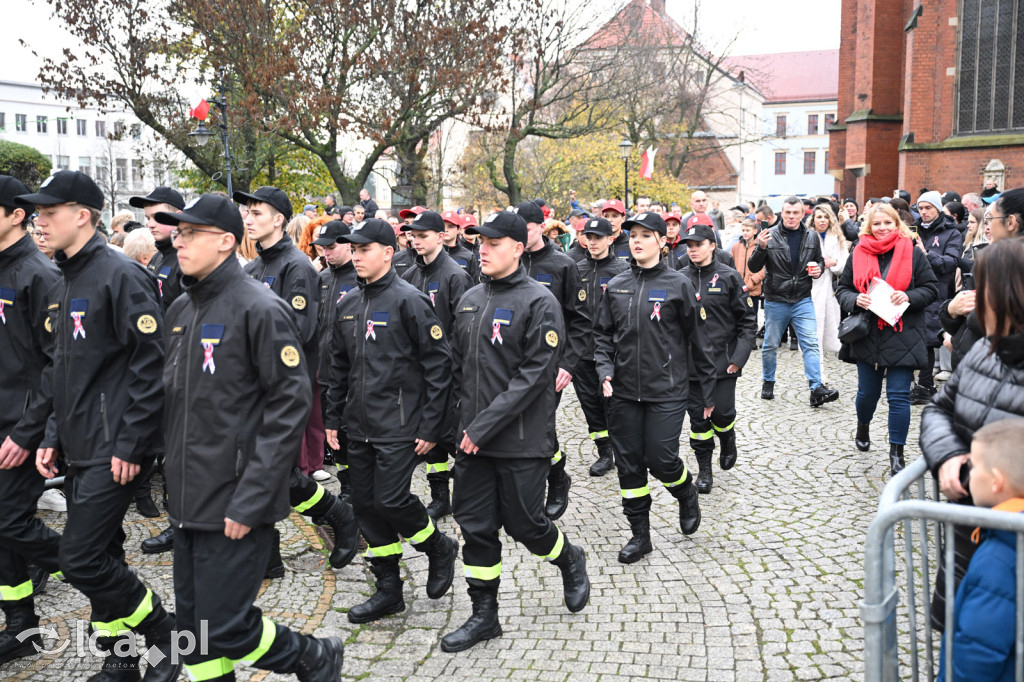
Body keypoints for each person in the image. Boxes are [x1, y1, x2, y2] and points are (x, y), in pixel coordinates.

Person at [153, 194, 345, 682]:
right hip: (188, 498)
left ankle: (313, 656)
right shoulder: (180, 309)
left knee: (228, 626)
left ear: (223, 241)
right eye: (177, 232)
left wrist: (253, 498)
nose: (180, 241)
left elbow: (289, 406)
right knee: (195, 631)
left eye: (190, 233)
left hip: (236, 498)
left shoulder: (259, 306)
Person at [20, 171, 180, 680]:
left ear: (83, 216)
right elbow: (64, 367)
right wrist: (50, 436)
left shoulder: (120, 274)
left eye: (49, 213)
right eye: (37, 214)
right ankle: (123, 657)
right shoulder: (64, 275)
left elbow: (150, 367)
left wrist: (133, 445)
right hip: (79, 441)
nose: (38, 223)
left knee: (81, 558)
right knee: (106, 552)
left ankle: (165, 636)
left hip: (115, 445)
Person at [440, 210, 590, 653]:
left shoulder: (539, 302)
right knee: (475, 528)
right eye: (480, 242)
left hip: (521, 440)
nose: (482, 249)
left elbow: (533, 377)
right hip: (472, 443)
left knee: (527, 525)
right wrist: (450, 425)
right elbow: (455, 369)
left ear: (518, 249)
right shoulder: (469, 298)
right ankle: (484, 616)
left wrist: (482, 426)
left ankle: (569, 558)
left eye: (493, 243)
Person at [324, 218, 460, 625]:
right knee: (365, 506)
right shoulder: (347, 304)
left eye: (365, 250)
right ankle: (389, 591)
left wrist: (430, 425)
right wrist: (332, 418)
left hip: (401, 425)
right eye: (355, 249)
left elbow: (440, 366)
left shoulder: (410, 300)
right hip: (359, 425)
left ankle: (437, 547)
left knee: (391, 499)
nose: (357, 256)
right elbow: (338, 367)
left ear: (388, 252)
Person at [236, 186, 357, 575]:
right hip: (255, 389)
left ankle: (338, 513)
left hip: (285, 387)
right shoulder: (253, 269)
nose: (249, 218)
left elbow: (300, 330)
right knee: (258, 472)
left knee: (276, 473)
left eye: (258, 212)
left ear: (279, 220)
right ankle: (267, 558)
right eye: (247, 212)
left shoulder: (297, 267)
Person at [593, 211, 714, 564]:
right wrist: (604, 370)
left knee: (661, 459)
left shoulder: (679, 284)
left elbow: (699, 341)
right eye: (633, 235)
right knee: (630, 465)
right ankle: (640, 536)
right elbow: (601, 336)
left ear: (663, 241)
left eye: (646, 235)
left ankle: (685, 492)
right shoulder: (616, 285)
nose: (637, 241)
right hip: (624, 392)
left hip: (668, 390)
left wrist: (707, 391)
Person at [922, 238, 1024, 630]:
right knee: (960, 643)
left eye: (983, 287)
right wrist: (947, 455)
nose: (973, 297)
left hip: (1010, 545)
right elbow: (937, 409)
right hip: (967, 534)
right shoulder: (984, 349)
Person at [0, 175, 63, 667]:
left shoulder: (39, 273)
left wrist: (33, 432)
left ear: (16, 214)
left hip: (21, 426)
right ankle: (20, 622)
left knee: (10, 521)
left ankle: (89, 565)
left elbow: (55, 362)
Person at [836, 203, 938, 475]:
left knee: (898, 396)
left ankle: (897, 451)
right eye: (877, 224)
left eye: (887, 223)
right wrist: (855, 299)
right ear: (869, 226)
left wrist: (909, 296)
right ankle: (863, 424)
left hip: (903, 333)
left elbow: (931, 289)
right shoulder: (858, 251)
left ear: (897, 224)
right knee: (867, 394)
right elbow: (842, 289)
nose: (882, 229)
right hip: (867, 333)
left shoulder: (914, 253)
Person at [516, 201, 590, 520]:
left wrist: (568, 364)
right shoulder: (510, 260)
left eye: (526, 230)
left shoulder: (562, 265)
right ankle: (542, 476)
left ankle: (556, 479)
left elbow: (581, 320)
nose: (519, 237)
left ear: (541, 227)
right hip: (512, 362)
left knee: (539, 425)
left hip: (550, 364)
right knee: (519, 426)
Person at [936, 418, 1024, 682]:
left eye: (973, 466)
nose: (969, 473)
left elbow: (978, 651)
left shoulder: (998, 560)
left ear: (996, 482)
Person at [400, 210, 473, 519]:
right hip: (420, 374)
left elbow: (464, 328)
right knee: (428, 437)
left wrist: (456, 371)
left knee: (454, 436)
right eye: (412, 236)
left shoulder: (456, 275)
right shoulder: (409, 276)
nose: (416, 241)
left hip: (451, 374)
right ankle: (439, 495)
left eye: (423, 236)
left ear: (441, 236)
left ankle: (472, 495)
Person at [678, 223, 757, 493]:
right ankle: (704, 470)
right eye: (689, 245)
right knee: (698, 421)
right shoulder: (678, 278)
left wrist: (739, 357)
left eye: (698, 244)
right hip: (689, 365)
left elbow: (747, 321)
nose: (693, 250)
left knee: (722, 414)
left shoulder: (729, 277)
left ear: (712, 245)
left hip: (723, 362)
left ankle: (727, 436)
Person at [748, 196, 839, 407]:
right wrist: (760, 247)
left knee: (810, 343)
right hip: (776, 299)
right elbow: (753, 267)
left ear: (802, 214)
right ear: (782, 213)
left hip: (802, 299)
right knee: (770, 345)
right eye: (787, 212)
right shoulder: (768, 235)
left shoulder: (812, 237)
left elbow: (817, 263)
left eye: (795, 213)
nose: (791, 216)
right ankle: (768, 381)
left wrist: (817, 270)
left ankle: (816, 387)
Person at [130, 186, 186, 524]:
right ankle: (143, 492)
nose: (149, 224)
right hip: (155, 359)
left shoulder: (184, 258)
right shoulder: (156, 257)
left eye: (156, 217)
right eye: (147, 218)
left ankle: (172, 504)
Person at [574, 217, 628, 477]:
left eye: (598, 237)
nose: (592, 242)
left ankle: (623, 449)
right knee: (590, 405)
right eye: (589, 237)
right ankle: (605, 452)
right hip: (582, 353)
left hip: (612, 351)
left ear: (611, 239)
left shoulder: (622, 271)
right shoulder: (576, 269)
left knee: (613, 403)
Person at [312, 220, 358, 498]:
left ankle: (364, 488)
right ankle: (347, 488)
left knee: (355, 435)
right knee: (336, 435)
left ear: (348, 244)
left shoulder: (359, 279)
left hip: (355, 374)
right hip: (326, 373)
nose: (326, 253)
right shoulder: (321, 280)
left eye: (331, 247)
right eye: (323, 248)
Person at [911, 191, 963, 405]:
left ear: (938, 208)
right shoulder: (913, 230)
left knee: (928, 340)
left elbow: (951, 263)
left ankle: (925, 386)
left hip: (937, 291)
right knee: (916, 338)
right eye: (920, 208)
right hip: (913, 289)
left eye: (928, 208)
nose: (923, 212)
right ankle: (922, 385)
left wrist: (925, 254)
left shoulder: (951, 232)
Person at [809, 204, 849, 383]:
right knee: (813, 332)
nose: (822, 221)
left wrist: (833, 263)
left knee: (827, 330)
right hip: (810, 289)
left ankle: (819, 368)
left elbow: (845, 263)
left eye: (825, 217)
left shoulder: (837, 238)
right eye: (819, 217)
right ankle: (817, 372)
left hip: (830, 289)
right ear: (813, 219)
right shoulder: (808, 237)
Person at [730, 219, 765, 320]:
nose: (745, 233)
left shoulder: (760, 246)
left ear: (755, 231)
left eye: (748, 230)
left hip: (753, 290)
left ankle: (752, 335)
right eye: (743, 230)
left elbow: (764, 268)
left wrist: (753, 281)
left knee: (752, 317)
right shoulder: (736, 246)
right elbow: (730, 265)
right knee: (738, 317)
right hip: (738, 289)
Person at [441, 210, 479, 279]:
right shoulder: (432, 254)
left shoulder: (468, 256)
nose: (446, 230)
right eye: (443, 226)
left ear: (459, 229)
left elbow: (474, 284)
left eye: (450, 227)